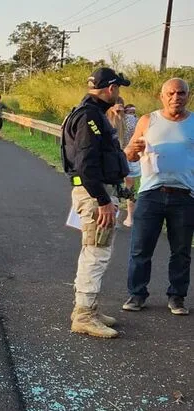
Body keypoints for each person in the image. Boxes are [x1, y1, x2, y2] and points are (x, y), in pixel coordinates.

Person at [60, 67, 131, 338]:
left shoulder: (89, 113)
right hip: (94, 195)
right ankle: (84, 315)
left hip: (92, 193)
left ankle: (88, 308)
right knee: (96, 253)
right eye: (118, 89)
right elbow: (86, 163)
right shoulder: (90, 117)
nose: (119, 94)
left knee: (93, 251)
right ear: (111, 88)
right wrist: (103, 200)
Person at [122, 78, 194, 316]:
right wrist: (133, 150)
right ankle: (137, 294)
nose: (176, 98)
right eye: (171, 93)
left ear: (188, 95)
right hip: (151, 193)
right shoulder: (147, 120)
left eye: (181, 93)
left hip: (184, 195)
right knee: (141, 248)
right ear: (162, 96)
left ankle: (177, 297)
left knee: (181, 251)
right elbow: (130, 155)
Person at [106, 98, 141, 227]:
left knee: (114, 188)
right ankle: (130, 218)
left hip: (114, 158)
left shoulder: (105, 119)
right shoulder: (131, 120)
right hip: (128, 157)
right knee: (129, 188)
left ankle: (115, 218)